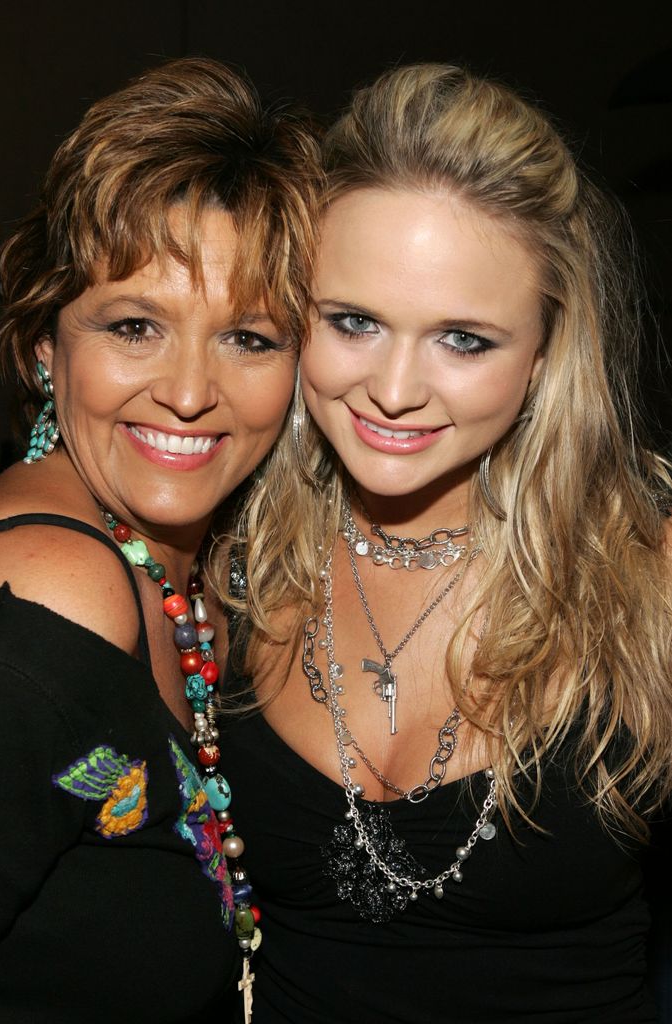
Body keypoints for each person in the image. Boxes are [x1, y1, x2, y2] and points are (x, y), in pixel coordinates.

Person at [220, 63, 672, 1022]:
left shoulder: (649, 577)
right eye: (352, 322)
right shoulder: (222, 561)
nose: (393, 388)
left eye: (462, 339)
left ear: (546, 353)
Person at [0, 57, 320, 1022]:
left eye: (250, 338)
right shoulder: (53, 589)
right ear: (42, 342)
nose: (190, 392)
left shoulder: (197, 576)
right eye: (135, 325)